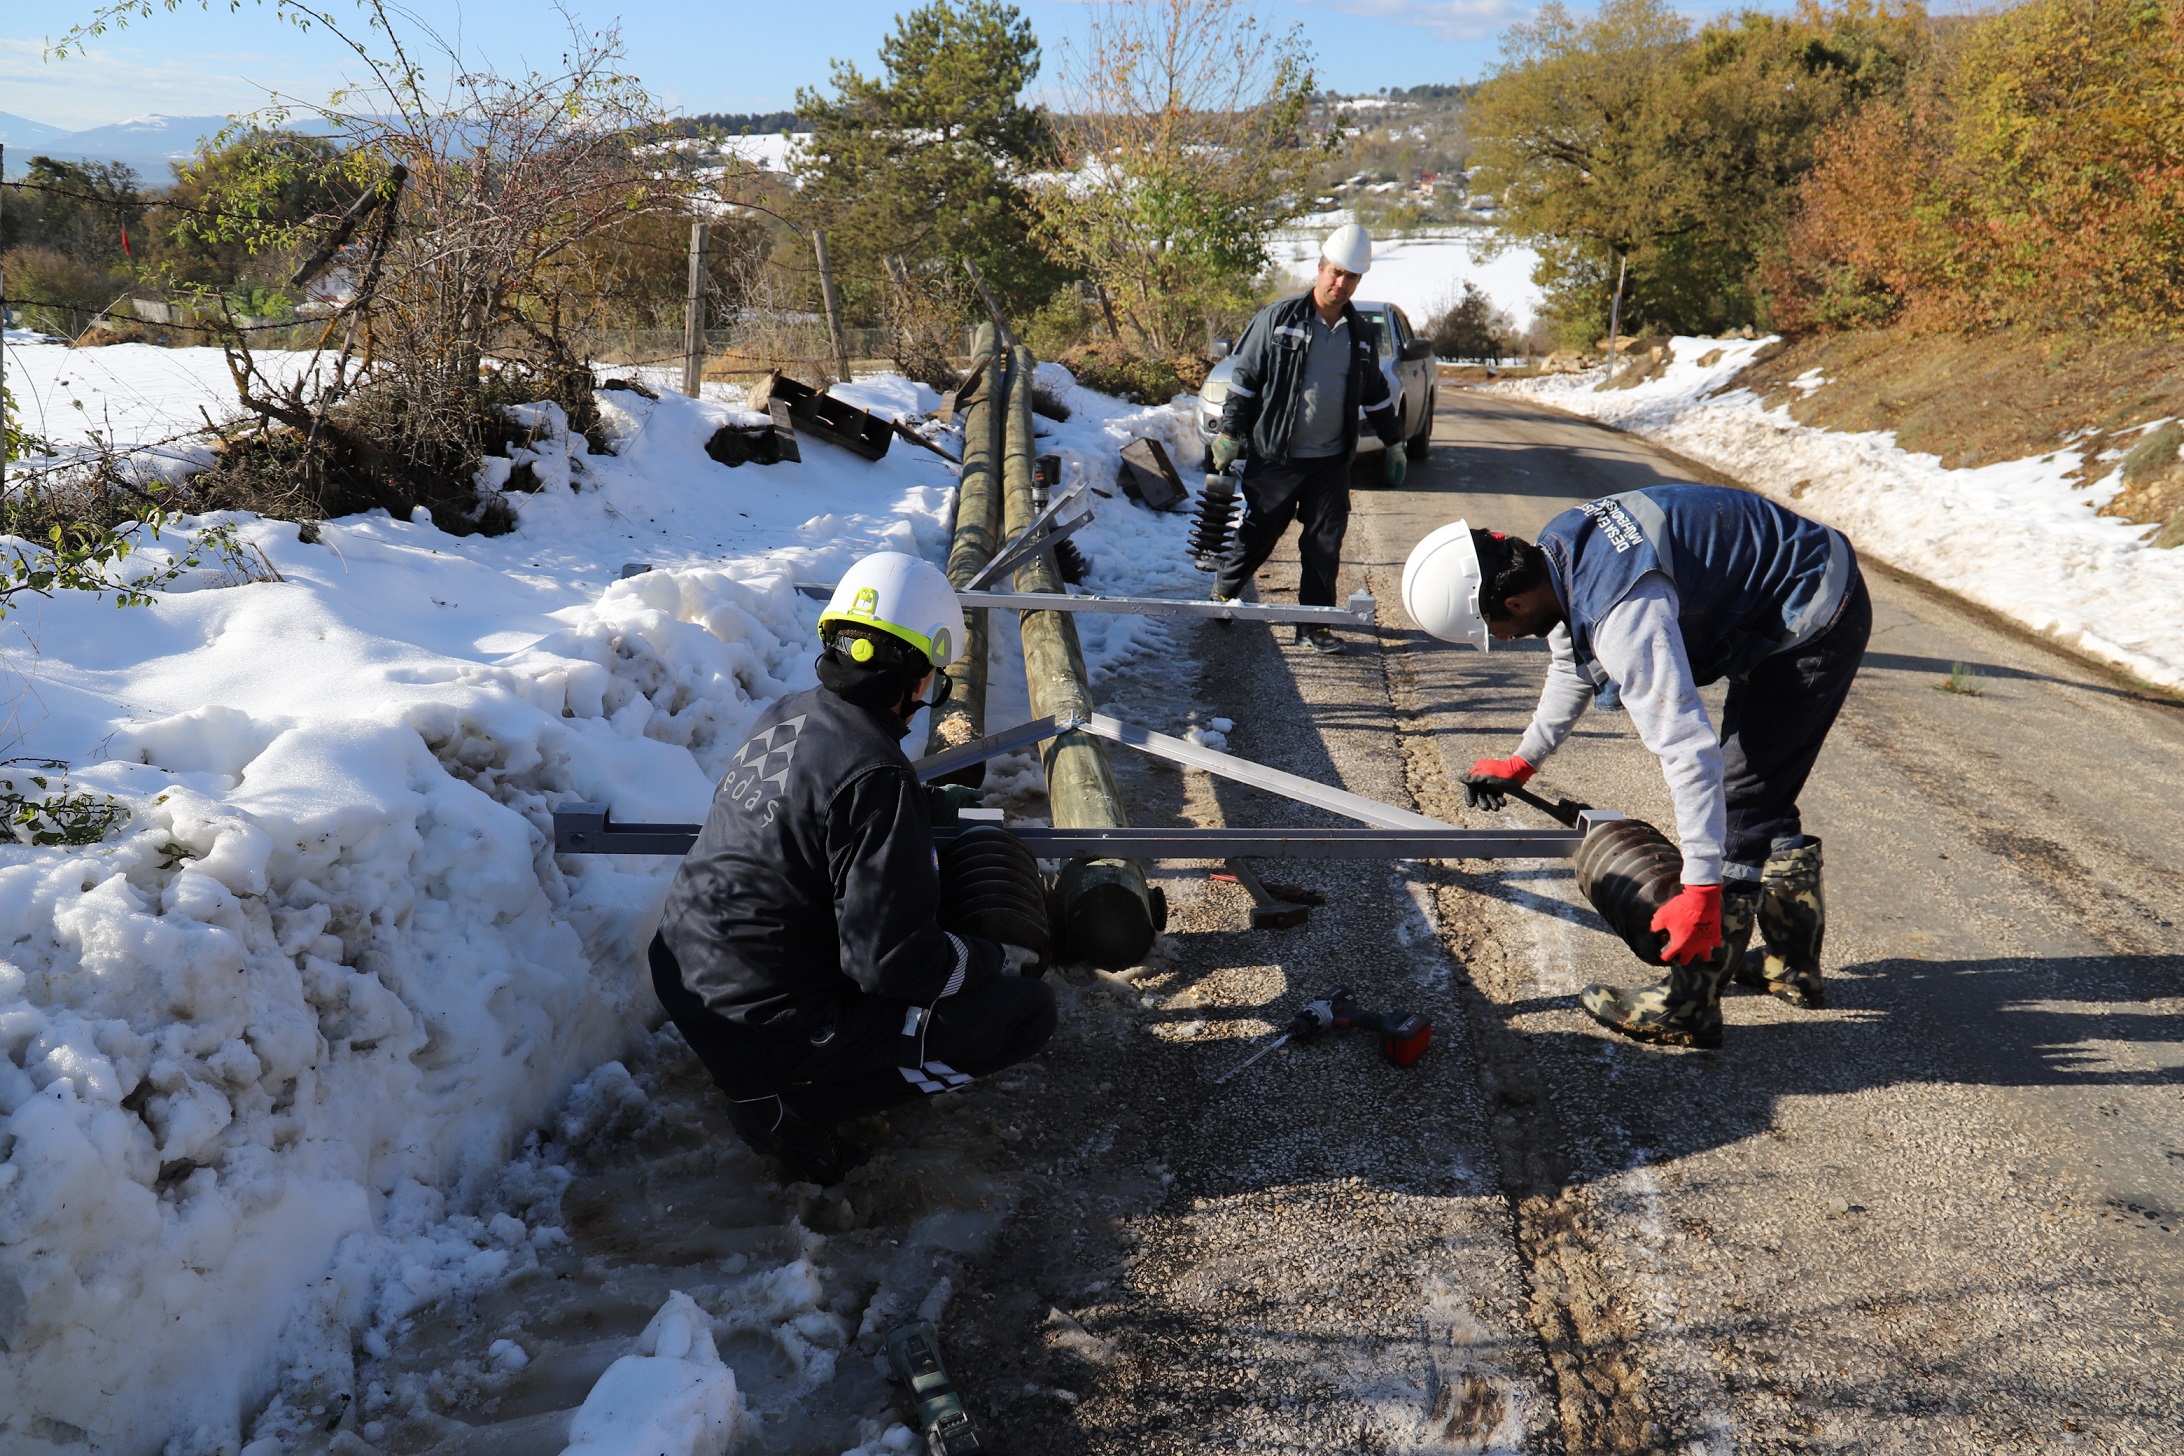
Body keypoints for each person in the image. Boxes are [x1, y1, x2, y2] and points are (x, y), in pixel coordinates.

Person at [1401, 484, 1871, 1048]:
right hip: (1787, 579)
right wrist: (1523, 760)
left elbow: (1687, 749)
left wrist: (1700, 886)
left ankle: (1689, 1007)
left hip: (1814, 607)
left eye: (1493, 632)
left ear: (1513, 604)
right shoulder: (1557, 553)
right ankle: (1790, 968)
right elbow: (1572, 668)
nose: (1500, 641)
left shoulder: (1622, 612)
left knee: (1744, 798)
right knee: (1765, 782)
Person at [652, 551, 1057, 1181]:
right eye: (933, 677)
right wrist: (989, 958)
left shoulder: (786, 715)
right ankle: (792, 1105)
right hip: (772, 1022)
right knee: (1025, 1012)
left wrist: (919, 809)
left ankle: (787, 1074)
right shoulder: (876, 774)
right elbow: (889, 963)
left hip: (694, 980)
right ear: (914, 677)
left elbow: (812, 813)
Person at [1209, 222, 1407, 655]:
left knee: (1324, 542)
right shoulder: (1279, 319)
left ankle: (1313, 624)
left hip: (1330, 461)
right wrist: (1229, 432)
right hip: (1277, 452)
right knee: (1261, 531)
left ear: (1359, 280)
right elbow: (1244, 380)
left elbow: (1375, 396)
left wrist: (1394, 442)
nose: (1341, 283)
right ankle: (1223, 593)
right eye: (1335, 272)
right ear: (1319, 269)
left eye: (1351, 276)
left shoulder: (1360, 336)